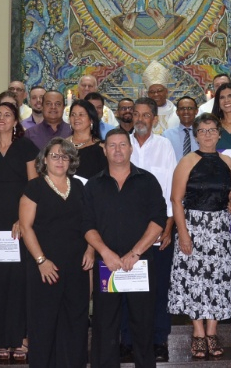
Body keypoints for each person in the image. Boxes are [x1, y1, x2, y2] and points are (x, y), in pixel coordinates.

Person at [84, 129, 167, 368]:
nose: (118, 150)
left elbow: (158, 219)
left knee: (142, 326)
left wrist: (136, 252)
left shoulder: (147, 181)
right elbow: (87, 224)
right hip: (106, 265)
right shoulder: (93, 185)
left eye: (122, 145)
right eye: (112, 145)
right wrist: (105, 253)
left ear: (130, 149)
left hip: (140, 263)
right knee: (105, 326)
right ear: (104, 149)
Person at [167, 113, 231, 359]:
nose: (208, 134)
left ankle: (212, 331)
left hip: (221, 228)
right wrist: (184, 234)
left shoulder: (227, 161)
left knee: (217, 280)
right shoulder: (187, 161)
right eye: (203, 130)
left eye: (212, 130)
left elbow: (229, 194)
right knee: (195, 280)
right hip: (194, 226)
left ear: (219, 133)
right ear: (196, 136)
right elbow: (176, 200)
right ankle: (198, 331)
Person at [20, 139, 94, 368]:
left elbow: (90, 223)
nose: (60, 161)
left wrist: (91, 250)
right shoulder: (35, 187)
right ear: (44, 160)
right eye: (55, 156)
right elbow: (25, 227)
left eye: (65, 156)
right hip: (45, 267)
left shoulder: (80, 187)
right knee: (44, 324)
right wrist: (41, 260)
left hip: (77, 266)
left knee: (76, 322)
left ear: (71, 160)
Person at [0, 101, 40, 360]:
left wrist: (23, 220)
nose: (1, 119)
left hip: (19, 223)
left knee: (19, 280)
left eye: (7, 115)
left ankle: (21, 337)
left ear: (15, 121)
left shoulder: (26, 147)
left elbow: (34, 185)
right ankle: (0, 337)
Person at [127, 97, 177, 361]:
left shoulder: (165, 146)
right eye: (136, 114)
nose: (140, 119)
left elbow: (171, 189)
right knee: (125, 285)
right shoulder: (121, 144)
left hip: (158, 229)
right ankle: (126, 340)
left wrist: (168, 228)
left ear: (155, 120)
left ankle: (159, 340)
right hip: (125, 229)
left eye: (146, 115)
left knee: (158, 288)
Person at [68, 99, 107, 179]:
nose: (76, 118)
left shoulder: (102, 148)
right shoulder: (60, 145)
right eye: (73, 114)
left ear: (91, 119)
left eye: (81, 114)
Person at [144, 62, 179, 134]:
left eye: (159, 91)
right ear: (148, 94)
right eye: (152, 92)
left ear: (166, 92)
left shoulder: (176, 113)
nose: (156, 94)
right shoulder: (143, 114)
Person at [163, 96, 198, 162]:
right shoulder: (167, 135)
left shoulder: (203, 133)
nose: (186, 111)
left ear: (196, 111)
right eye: (182, 108)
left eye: (190, 108)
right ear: (177, 112)